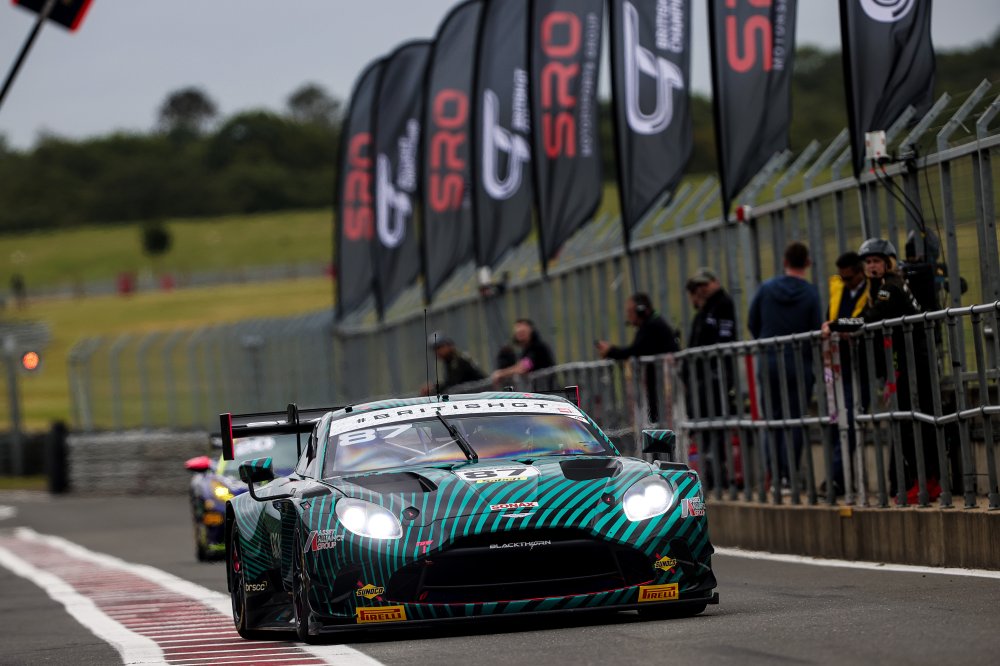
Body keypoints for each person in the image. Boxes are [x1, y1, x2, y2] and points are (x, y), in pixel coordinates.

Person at [856, 238, 940, 503]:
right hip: (907, 361)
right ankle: (923, 481)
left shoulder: (889, 287)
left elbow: (871, 316)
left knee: (913, 423)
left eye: (876, 261)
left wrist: (837, 325)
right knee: (909, 423)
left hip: (914, 362)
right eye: (868, 262)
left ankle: (927, 482)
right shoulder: (886, 285)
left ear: (888, 262)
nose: (871, 266)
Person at [748, 241, 823, 491]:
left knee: (773, 419)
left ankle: (775, 476)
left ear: (784, 262)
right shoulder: (810, 293)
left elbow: (752, 322)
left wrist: (767, 344)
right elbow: (816, 328)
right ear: (808, 263)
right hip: (798, 363)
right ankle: (790, 476)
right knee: (795, 419)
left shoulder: (766, 288)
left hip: (769, 360)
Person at [820, 252, 868, 496]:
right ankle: (840, 478)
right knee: (837, 421)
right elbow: (831, 318)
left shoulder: (871, 289)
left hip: (863, 365)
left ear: (860, 273)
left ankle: (839, 478)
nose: (845, 282)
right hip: (839, 365)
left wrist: (838, 326)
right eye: (842, 277)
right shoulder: (839, 290)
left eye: (849, 278)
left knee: (849, 421)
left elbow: (864, 320)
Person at [685, 269, 738, 487]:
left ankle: (719, 475)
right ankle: (711, 474)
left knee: (715, 425)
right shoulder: (706, 309)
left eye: (704, 285)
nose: (702, 290)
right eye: (699, 287)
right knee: (705, 426)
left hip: (715, 377)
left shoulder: (722, 304)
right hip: (702, 378)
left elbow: (722, 340)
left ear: (714, 282)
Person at [596, 293, 680, 422]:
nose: (628, 316)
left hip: (663, 386)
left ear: (640, 310)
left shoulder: (652, 325)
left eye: (630, 311)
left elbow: (636, 350)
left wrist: (611, 351)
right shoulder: (651, 323)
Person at [491, 319, 555, 388]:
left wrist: (501, 373)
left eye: (523, 332)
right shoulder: (526, 349)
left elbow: (524, 367)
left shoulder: (537, 347)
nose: (520, 334)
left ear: (531, 332)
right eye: (518, 333)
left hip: (548, 388)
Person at [422, 332, 485, 396]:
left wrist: (434, 388)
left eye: (439, 347)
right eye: (434, 349)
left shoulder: (459, 360)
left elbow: (453, 384)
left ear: (448, 345)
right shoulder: (449, 362)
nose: (437, 352)